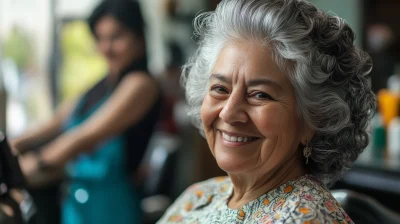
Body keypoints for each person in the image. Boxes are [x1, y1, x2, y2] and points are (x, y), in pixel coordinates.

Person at [157, 0, 376, 223]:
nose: (229, 113)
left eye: (260, 95)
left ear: (314, 118)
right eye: (220, 89)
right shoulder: (200, 195)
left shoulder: (304, 218)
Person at [12, 0, 162, 223]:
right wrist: (11, 146)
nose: (106, 48)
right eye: (100, 38)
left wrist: (24, 168)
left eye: (116, 37)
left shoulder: (140, 85)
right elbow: (51, 125)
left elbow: (83, 137)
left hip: (113, 208)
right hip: (77, 205)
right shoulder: (98, 87)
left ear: (139, 37)